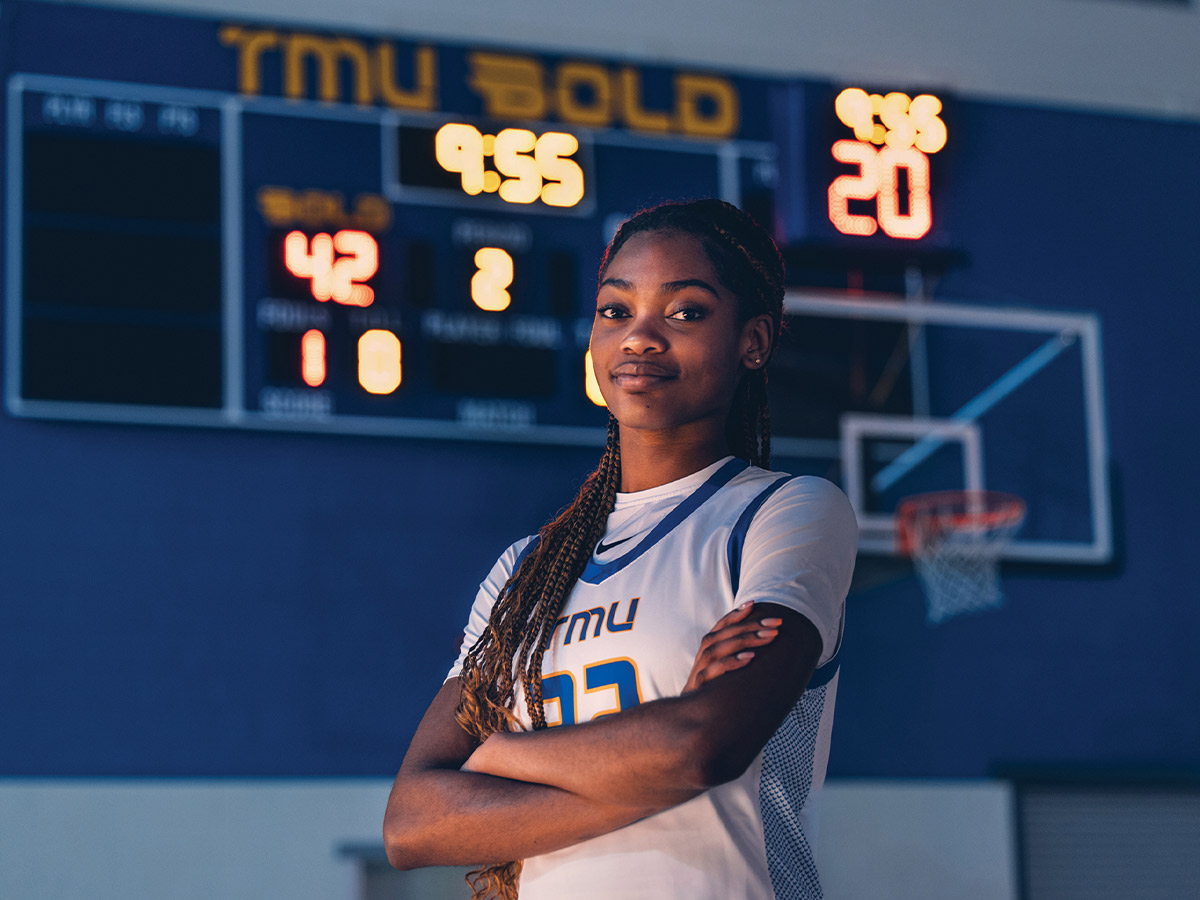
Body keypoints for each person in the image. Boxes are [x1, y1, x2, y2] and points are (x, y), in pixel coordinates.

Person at [383, 198, 858, 900]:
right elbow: (411, 826)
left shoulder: (784, 510)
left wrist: (504, 755)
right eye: (615, 311)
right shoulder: (526, 572)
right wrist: (654, 761)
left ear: (752, 341)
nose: (640, 338)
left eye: (685, 312)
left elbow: (703, 746)